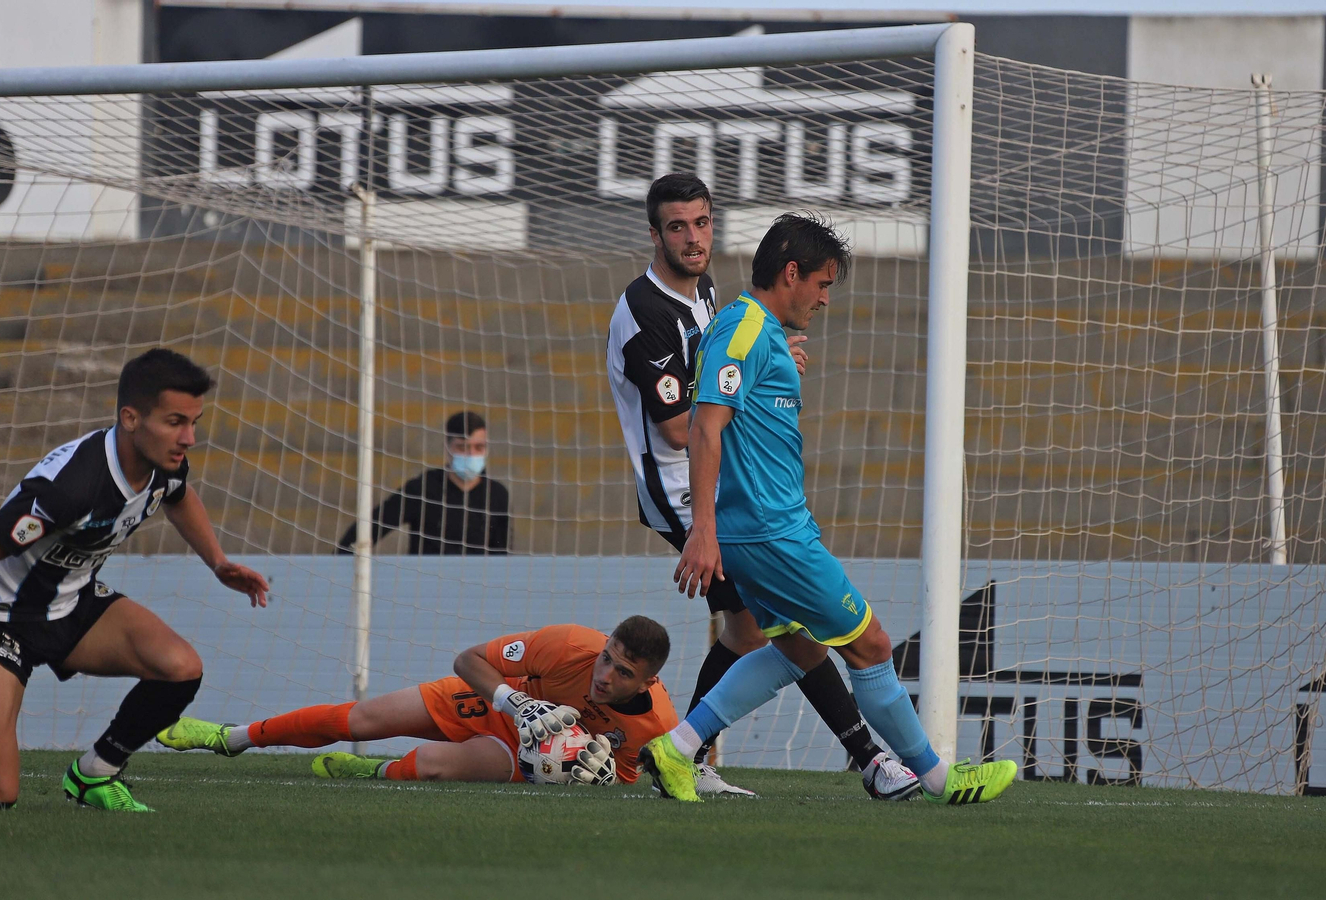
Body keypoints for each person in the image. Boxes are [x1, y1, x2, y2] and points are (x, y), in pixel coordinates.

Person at [637, 214, 1018, 804]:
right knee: (871, 645)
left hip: (762, 530)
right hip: (771, 533)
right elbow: (706, 430)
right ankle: (942, 780)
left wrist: (775, 358)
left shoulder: (751, 332)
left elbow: (736, 401)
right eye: (821, 283)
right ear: (791, 273)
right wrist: (702, 531)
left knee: (795, 651)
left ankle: (678, 747)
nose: (823, 298)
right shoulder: (741, 330)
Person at [606, 172, 916, 800]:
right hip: (683, 492)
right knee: (780, 631)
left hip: (724, 481)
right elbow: (675, 429)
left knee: (757, 632)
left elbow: (727, 373)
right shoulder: (642, 312)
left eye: (702, 222)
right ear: (654, 234)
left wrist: (768, 362)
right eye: (677, 226)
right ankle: (873, 762)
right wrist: (750, 379)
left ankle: (691, 756)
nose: (693, 238)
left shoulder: (708, 293)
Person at [0, 349, 270, 812]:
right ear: (130, 417)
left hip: (72, 605)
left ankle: (94, 774)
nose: (189, 437)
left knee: (181, 668)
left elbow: (178, 495)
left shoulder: (162, 460)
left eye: (194, 422)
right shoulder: (70, 487)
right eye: (175, 422)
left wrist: (217, 561)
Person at [157, 617, 674, 787]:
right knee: (360, 719)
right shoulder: (568, 645)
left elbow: (623, 780)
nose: (604, 675)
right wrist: (515, 703)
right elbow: (468, 659)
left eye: (623, 672)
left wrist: (596, 773)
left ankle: (375, 773)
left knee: (429, 766)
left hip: (519, 754)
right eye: (607, 658)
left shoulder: (658, 725)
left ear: (649, 682)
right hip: (504, 705)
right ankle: (231, 737)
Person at [338, 411, 510, 555]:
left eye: (478, 448)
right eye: (463, 447)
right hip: (425, 584)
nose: (471, 455)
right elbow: (373, 525)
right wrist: (338, 561)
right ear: (448, 448)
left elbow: (502, 554)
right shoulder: (423, 489)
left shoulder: (496, 495)